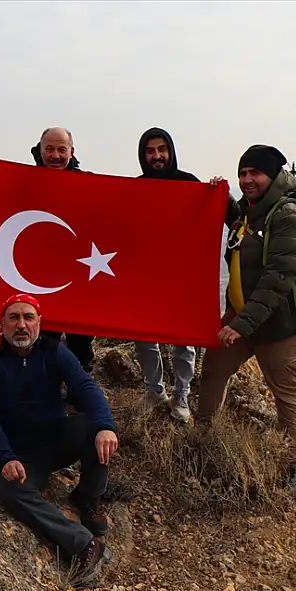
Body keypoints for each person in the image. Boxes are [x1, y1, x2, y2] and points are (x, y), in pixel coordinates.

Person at [0, 293, 117, 584]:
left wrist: (105, 426)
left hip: (57, 436)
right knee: (11, 491)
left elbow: (86, 387)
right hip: (23, 452)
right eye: (14, 317)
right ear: (2, 323)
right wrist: (5, 458)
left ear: (39, 322)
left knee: (95, 430)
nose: (21, 325)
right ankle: (84, 544)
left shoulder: (54, 351)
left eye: (28, 317)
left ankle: (87, 499)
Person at [196, 144, 296, 489]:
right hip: (244, 315)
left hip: (282, 326)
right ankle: (203, 440)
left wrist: (240, 324)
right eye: (243, 173)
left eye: (255, 173)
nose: (247, 179)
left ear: (274, 175)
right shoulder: (253, 210)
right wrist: (222, 196)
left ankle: (290, 465)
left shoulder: (290, 215)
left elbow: (278, 278)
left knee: (286, 391)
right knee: (214, 370)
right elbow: (242, 225)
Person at [132, 127, 204, 422]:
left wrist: (214, 190)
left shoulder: (189, 184)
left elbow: (221, 212)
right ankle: (154, 391)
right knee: (144, 338)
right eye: (150, 151)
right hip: (145, 277)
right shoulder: (134, 189)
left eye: (162, 149)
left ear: (170, 152)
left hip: (181, 276)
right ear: (142, 155)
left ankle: (181, 395)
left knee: (183, 340)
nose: (157, 156)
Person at [29, 127, 96, 373]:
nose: (55, 155)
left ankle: (81, 398)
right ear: (40, 149)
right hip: (40, 279)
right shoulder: (26, 181)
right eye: (50, 149)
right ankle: (47, 397)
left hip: (80, 276)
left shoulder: (88, 182)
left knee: (81, 344)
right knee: (45, 342)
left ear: (72, 151)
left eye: (61, 149)